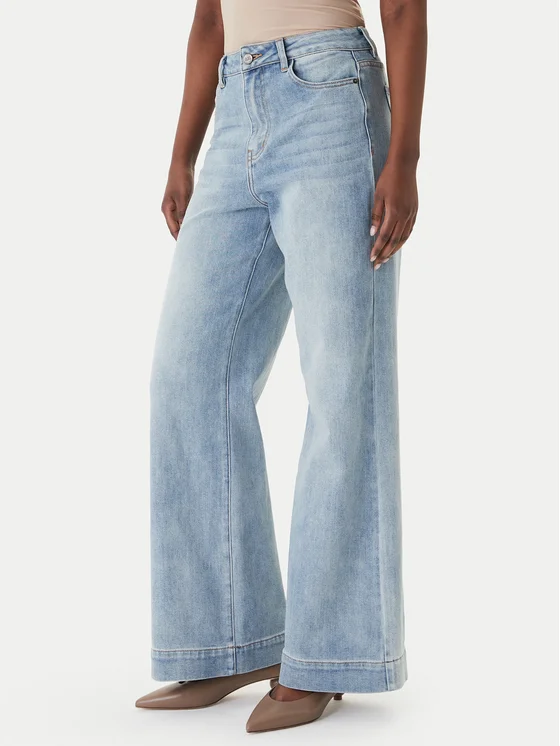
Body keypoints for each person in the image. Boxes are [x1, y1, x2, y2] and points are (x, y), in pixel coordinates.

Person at [135, 0, 426, 733]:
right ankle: (231, 637)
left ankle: (329, 656)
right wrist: (182, 152)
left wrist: (404, 159)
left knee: (343, 386)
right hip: (235, 105)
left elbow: (402, 6)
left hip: (332, 97)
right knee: (188, 377)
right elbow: (210, 17)